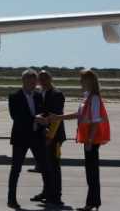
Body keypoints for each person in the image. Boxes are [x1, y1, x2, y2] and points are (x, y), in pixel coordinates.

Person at [43, 69, 109, 211]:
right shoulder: (87, 97)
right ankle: (93, 202)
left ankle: (92, 203)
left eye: (82, 80)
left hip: (92, 140)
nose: (80, 82)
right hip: (88, 140)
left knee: (92, 172)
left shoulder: (94, 98)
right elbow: (78, 115)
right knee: (91, 171)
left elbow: (96, 121)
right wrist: (58, 117)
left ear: (89, 81)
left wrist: (90, 141)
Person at [7, 69, 54, 209]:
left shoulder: (38, 95)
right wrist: (35, 119)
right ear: (23, 81)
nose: (33, 85)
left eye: (34, 82)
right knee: (16, 169)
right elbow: (16, 117)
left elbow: (43, 113)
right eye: (30, 82)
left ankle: (49, 196)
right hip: (21, 138)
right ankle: (11, 199)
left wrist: (45, 125)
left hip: (37, 137)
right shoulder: (14, 96)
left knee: (45, 167)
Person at [32, 70, 65, 207]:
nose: (43, 81)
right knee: (45, 166)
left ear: (51, 79)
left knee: (54, 166)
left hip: (54, 136)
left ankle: (56, 196)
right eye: (40, 78)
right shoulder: (39, 93)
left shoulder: (57, 94)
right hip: (42, 135)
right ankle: (46, 192)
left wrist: (50, 136)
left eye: (45, 78)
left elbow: (56, 117)